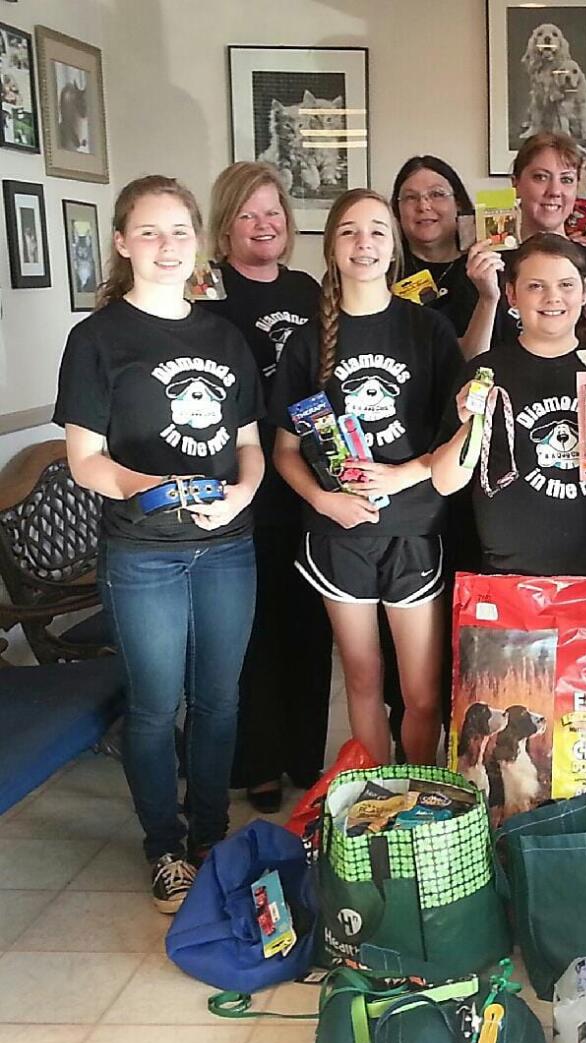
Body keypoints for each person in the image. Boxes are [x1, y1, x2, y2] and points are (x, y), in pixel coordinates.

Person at [55, 175, 264, 912]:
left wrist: (239, 493)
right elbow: (86, 458)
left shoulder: (223, 336)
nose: (166, 246)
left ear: (197, 242)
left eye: (178, 231)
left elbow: (249, 445)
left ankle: (209, 832)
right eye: (148, 232)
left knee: (219, 701)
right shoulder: (98, 338)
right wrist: (151, 487)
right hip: (142, 553)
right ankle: (164, 846)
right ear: (121, 243)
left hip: (228, 548)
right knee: (153, 705)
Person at [270, 189, 463, 766]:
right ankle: (378, 804)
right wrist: (325, 502)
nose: (365, 243)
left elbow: (459, 439)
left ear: (395, 245)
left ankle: (423, 801)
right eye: (350, 231)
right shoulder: (307, 342)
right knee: (362, 681)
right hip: (339, 535)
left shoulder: (427, 330)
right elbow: (284, 450)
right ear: (331, 246)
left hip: (413, 531)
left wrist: (401, 475)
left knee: (423, 694)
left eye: (378, 230)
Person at [202, 161, 330, 814]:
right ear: (224, 228)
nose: (263, 225)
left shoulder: (311, 290)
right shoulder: (206, 294)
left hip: (306, 482)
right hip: (237, 485)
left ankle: (306, 756)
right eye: (248, 215)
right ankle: (257, 762)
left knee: (309, 628)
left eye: (272, 212)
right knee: (252, 634)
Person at [432, 234, 586, 578]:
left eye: (566, 284)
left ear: (585, 292)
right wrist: (471, 426)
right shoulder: (486, 371)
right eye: (536, 286)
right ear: (511, 295)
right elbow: (444, 483)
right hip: (507, 579)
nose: (553, 298)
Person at [470, 132, 586, 353]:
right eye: (540, 177)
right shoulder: (485, 268)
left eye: (566, 179)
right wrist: (487, 298)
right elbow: (468, 363)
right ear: (515, 184)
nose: (554, 191)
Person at [391, 154, 501, 358]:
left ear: (458, 203)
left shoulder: (488, 267)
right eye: (410, 197)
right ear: (397, 210)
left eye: (437, 194)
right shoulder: (383, 274)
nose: (423, 206)